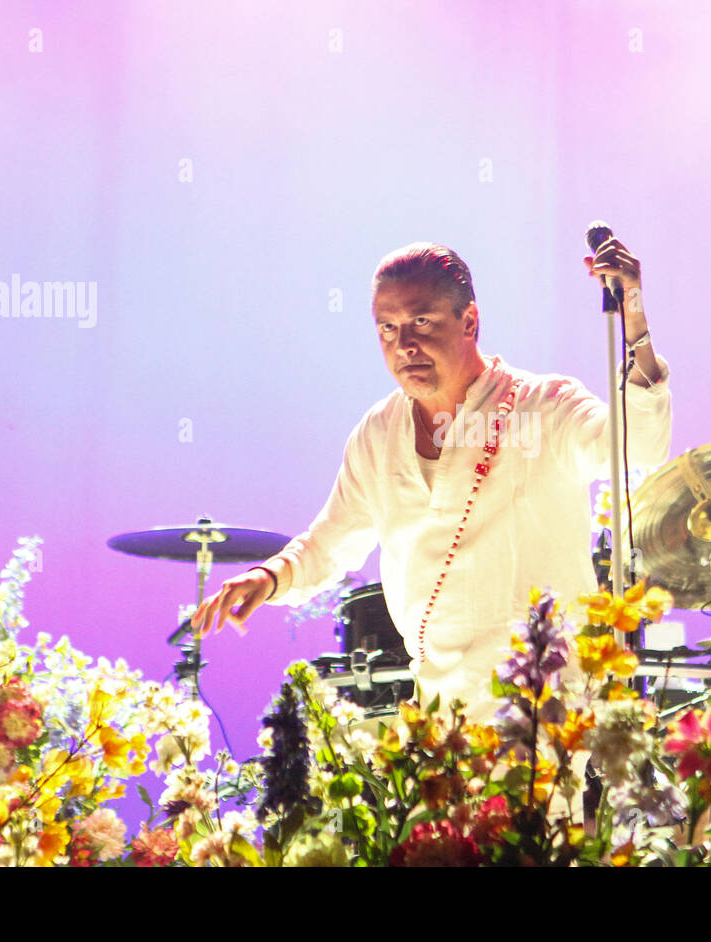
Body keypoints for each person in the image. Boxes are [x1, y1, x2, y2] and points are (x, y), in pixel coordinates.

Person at [190, 239, 672, 722]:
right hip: (438, 711)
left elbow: (639, 444)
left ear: (469, 322)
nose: (404, 345)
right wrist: (268, 576)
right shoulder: (378, 433)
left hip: (543, 712)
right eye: (388, 328)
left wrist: (632, 317)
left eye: (421, 322)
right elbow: (330, 542)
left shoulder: (545, 404)